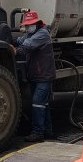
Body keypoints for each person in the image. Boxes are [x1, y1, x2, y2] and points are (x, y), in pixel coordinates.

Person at [12, 10, 55, 142]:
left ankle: (38, 133)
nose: (28, 27)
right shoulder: (31, 33)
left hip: (44, 76)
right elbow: (20, 40)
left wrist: (14, 50)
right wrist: (9, 39)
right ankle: (48, 131)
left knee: (37, 103)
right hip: (36, 75)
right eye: (27, 25)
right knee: (43, 104)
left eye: (30, 24)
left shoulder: (42, 33)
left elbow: (26, 46)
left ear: (37, 23)